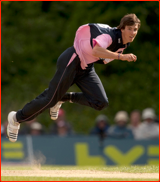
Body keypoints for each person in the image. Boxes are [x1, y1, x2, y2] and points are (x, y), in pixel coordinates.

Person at [7, 14, 141, 142]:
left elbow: (99, 57)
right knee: (49, 100)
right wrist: (121, 57)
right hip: (72, 61)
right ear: (122, 28)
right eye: (129, 29)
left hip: (86, 67)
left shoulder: (122, 45)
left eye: (135, 29)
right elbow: (96, 50)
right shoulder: (111, 36)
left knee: (101, 102)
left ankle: (63, 97)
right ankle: (16, 118)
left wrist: (117, 55)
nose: (133, 32)